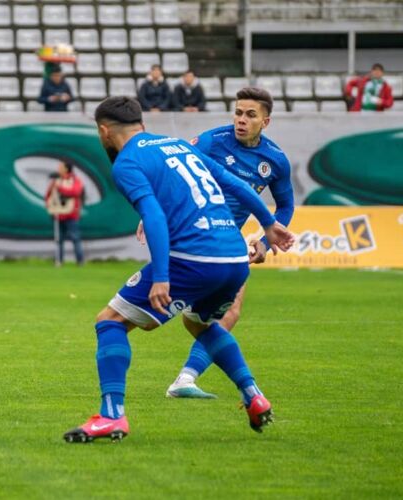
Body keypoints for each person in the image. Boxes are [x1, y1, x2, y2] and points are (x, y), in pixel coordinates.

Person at [63, 97, 294, 443]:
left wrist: (161, 276)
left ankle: (112, 416)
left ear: (104, 131)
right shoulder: (174, 144)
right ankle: (253, 395)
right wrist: (269, 224)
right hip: (234, 256)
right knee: (198, 322)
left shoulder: (127, 162)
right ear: (141, 124)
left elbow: (153, 216)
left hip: (194, 259)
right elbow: (234, 184)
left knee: (109, 322)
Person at [159, 87, 295, 399]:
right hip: (194, 231)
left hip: (229, 238)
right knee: (190, 312)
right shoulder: (211, 141)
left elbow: (285, 207)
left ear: (266, 121)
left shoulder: (275, 160)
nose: (241, 120)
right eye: (237, 112)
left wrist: (263, 241)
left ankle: (185, 379)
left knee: (226, 313)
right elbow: (174, 173)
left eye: (250, 115)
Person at [44, 162, 84, 265]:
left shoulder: (75, 180)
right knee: (58, 239)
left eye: (61, 167)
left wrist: (60, 188)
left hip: (71, 215)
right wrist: (50, 206)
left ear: (66, 169)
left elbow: (76, 192)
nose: (58, 169)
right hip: (58, 215)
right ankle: (59, 260)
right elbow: (49, 194)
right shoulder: (56, 181)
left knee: (75, 238)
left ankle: (80, 261)